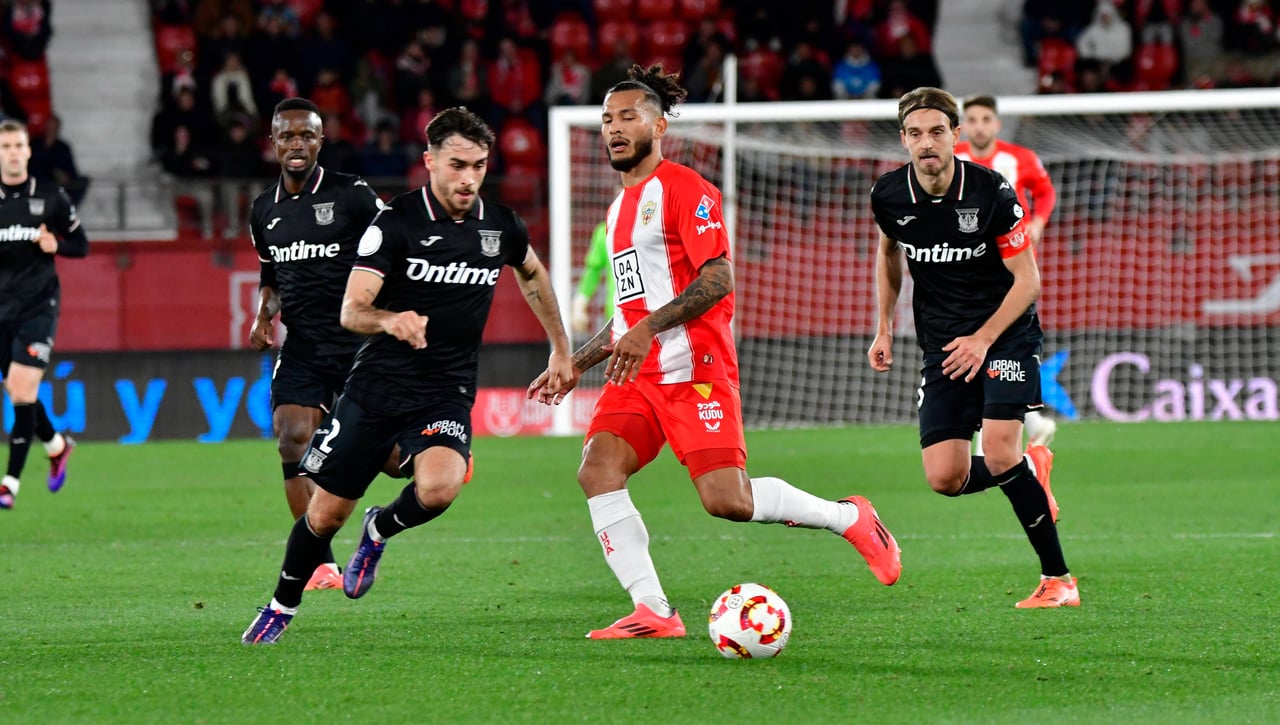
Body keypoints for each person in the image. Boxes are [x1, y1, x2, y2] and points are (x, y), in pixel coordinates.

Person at [527, 65, 902, 640]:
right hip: (640, 372)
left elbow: (719, 277)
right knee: (597, 470)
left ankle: (850, 516)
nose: (614, 128)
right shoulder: (617, 211)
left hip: (694, 365)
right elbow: (628, 313)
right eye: (607, 119)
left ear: (659, 125)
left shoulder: (686, 189)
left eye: (629, 116)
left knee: (726, 500)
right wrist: (574, 365)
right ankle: (652, 609)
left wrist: (647, 327)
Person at [242, 106, 575, 644]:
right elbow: (353, 312)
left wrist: (561, 349)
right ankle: (282, 604)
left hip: (446, 390)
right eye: (457, 165)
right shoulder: (395, 223)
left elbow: (532, 272)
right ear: (430, 162)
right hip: (374, 388)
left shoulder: (499, 226)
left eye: (479, 166)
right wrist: (390, 319)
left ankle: (379, 528)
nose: (468, 178)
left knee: (441, 488)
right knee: (324, 515)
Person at [867, 87, 1077, 609]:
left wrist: (984, 338)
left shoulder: (991, 191)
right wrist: (884, 327)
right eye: (915, 134)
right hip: (943, 344)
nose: (926, 143)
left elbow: (1028, 280)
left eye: (937, 132)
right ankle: (1033, 469)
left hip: (1003, 333)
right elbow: (888, 253)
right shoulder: (888, 195)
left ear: (956, 137)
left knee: (1001, 453)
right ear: (904, 141)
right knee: (945, 477)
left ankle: (1058, 581)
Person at [247, 98, 385, 591]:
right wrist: (264, 316)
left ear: (321, 140)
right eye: (287, 136)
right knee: (289, 435)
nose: (297, 145)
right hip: (303, 346)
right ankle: (321, 563)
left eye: (307, 135)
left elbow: (394, 245)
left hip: (359, 345)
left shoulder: (353, 195)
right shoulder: (264, 210)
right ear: (274, 144)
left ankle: (414, 479)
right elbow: (272, 275)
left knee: (389, 461)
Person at [955, 95, 1058, 449]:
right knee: (989, 342)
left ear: (996, 124)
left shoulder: (1019, 159)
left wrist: (1040, 222)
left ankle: (988, 440)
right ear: (962, 127)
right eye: (973, 119)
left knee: (989, 340)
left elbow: (1045, 192)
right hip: (968, 264)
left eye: (986, 119)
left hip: (1010, 266)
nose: (980, 126)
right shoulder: (954, 160)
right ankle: (1032, 422)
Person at [0, 119, 85, 510]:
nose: (13, 153)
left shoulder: (50, 197)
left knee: (20, 389)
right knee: (21, 392)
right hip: (2, 310)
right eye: (6, 147)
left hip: (39, 307)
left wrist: (57, 245)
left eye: (18, 145)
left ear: (28, 151)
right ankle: (56, 445)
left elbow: (80, 244)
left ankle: (9, 484)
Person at [569, 216, 613, 336]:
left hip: (652, 315)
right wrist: (580, 303)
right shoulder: (606, 230)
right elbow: (593, 271)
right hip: (616, 317)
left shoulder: (653, 227)